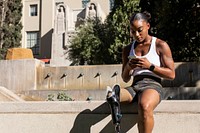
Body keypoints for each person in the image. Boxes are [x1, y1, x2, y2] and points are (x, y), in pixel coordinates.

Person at [107, 11, 175, 133]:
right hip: (134, 87)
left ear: (148, 26)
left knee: (144, 106)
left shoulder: (160, 45)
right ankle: (114, 100)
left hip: (153, 85)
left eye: (140, 30)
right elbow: (125, 78)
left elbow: (171, 74)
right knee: (112, 96)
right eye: (133, 31)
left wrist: (150, 66)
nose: (137, 35)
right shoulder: (128, 49)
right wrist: (128, 67)